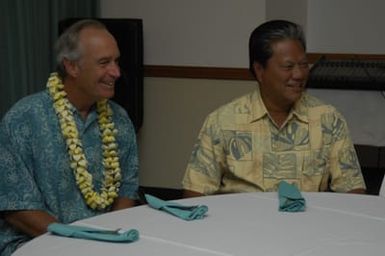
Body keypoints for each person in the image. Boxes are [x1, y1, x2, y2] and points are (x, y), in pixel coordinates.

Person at [0, 19, 139, 255]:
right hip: (37, 244)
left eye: (116, 61)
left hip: (105, 244)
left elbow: (127, 192)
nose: (116, 72)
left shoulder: (120, 119)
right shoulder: (23, 119)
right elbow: (18, 209)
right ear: (72, 67)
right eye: (104, 63)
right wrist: (76, 244)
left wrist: (111, 241)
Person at [182, 20, 366, 197]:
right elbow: (196, 192)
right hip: (242, 225)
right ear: (260, 71)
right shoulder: (222, 121)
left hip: (307, 225)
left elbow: (352, 189)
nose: (299, 74)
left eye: (303, 64)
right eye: (288, 66)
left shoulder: (328, 119)